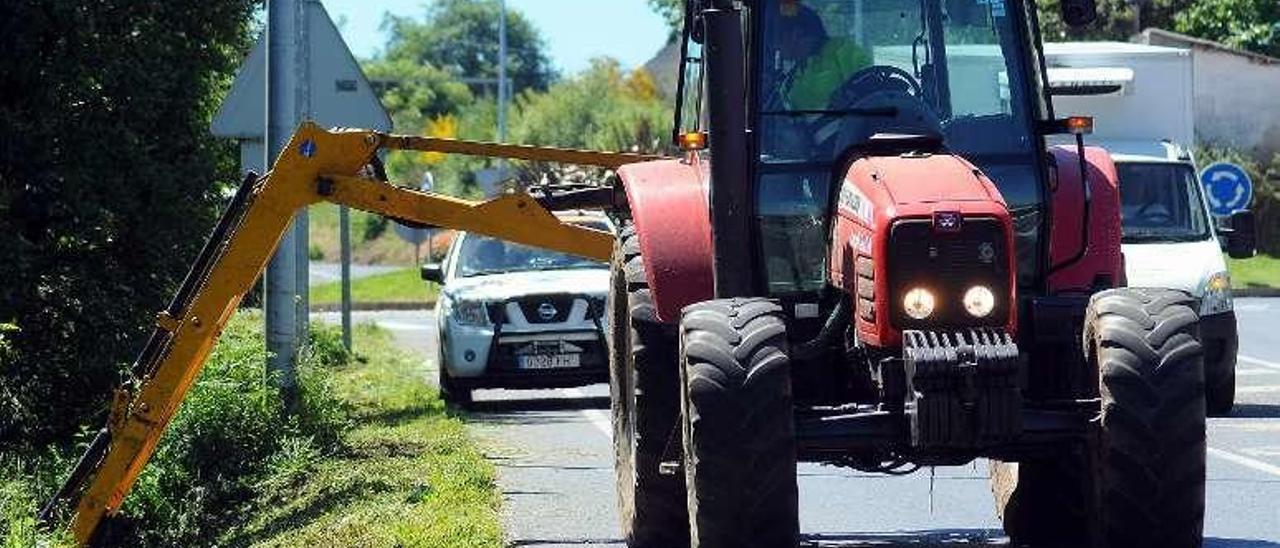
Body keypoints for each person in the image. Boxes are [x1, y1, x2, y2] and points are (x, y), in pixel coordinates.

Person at [767, 1, 873, 110]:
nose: (776, 46)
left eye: (778, 37)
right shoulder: (791, 76)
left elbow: (869, 96)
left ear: (796, 33)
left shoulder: (844, 52)